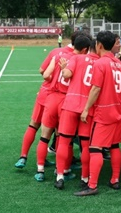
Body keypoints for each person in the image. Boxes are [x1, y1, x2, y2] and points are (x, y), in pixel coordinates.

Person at [74, 31, 121, 196]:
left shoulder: (101, 63)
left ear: (99, 45)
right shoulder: (119, 63)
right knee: (114, 146)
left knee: (95, 148)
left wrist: (86, 109)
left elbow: (96, 88)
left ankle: (92, 185)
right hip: (119, 109)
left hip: (104, 111)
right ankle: (115, 180)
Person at [34, 35, 90, 182]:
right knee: (63, 138)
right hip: (67, 101)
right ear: (85, 49)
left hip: (52, 97)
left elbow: (45, 74)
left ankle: (40, 169)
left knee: (44, 137)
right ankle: (64, 170)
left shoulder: (60, 55)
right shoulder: (80, 61)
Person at [53, 35, 93, 189]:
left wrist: (64, 68)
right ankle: (84, 178)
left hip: (71, 104)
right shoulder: (96, 62)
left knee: (63, 140)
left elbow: (67, 75)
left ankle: (60, 175)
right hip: (87, 107)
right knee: (85, 144)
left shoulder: (76, 58)